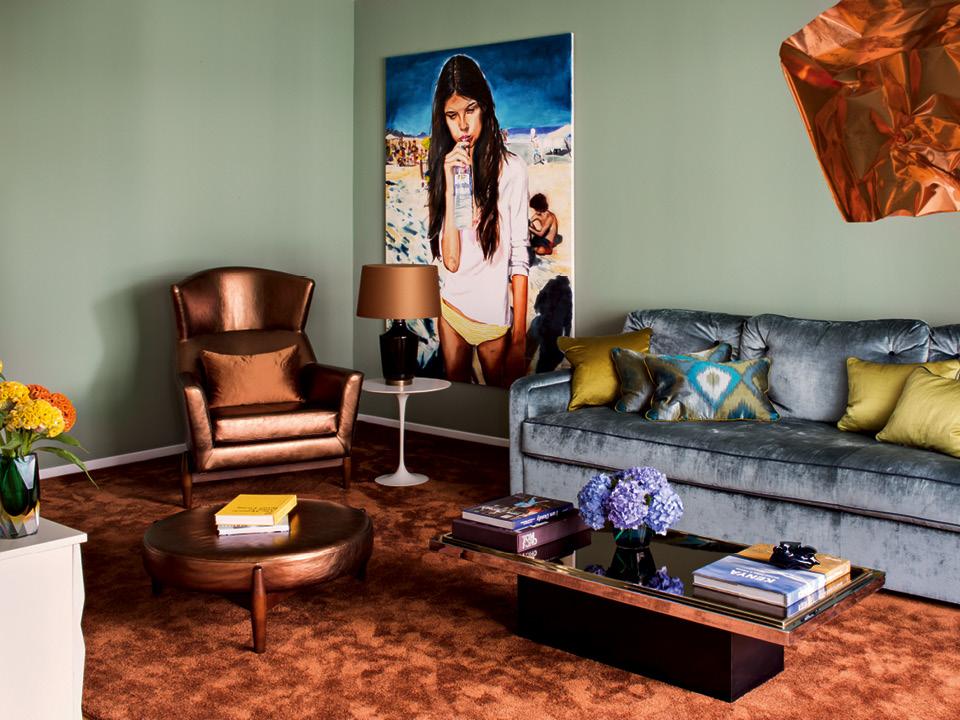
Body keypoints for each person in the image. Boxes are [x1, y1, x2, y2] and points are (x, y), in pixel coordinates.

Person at [427, 54, 529, 387]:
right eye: (452, 115)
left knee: (497, 401)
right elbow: (451, 261)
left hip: (493, 318)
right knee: (455, 397)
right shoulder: (447, 168)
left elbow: (519, 255)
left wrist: (519, 339)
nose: (463, 125)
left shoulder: (512, 170)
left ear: (484, 106)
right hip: (452, 309)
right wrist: (448, 181)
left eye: (470, 110)